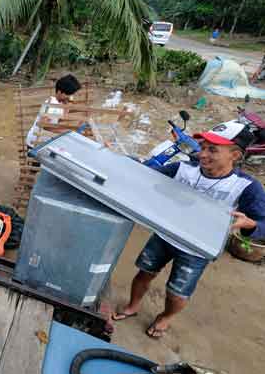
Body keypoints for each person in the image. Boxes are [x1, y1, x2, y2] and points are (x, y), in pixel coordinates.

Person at [113, 121, 265, 339]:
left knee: (177, 293)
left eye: (212, 150)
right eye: (203, 147)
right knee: (144, 272)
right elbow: (148, 175)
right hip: (166, 235)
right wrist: (127, 162)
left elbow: (262, 224)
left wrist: (250, 225)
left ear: (235, 155)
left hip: (197, 248)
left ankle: (165, 317)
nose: (202, 154)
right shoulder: (183, 168)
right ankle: (133, 305)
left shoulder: (246, 187)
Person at [25, 74, 82, 149]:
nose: (69, 97)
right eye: (68, 94)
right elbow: (43, 124)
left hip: (44, 141)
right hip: (35, 143)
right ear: (59, 92)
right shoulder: (51, 104)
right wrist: (64, 132)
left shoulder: (60, 103)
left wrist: (69, 101)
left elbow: (62, 116)